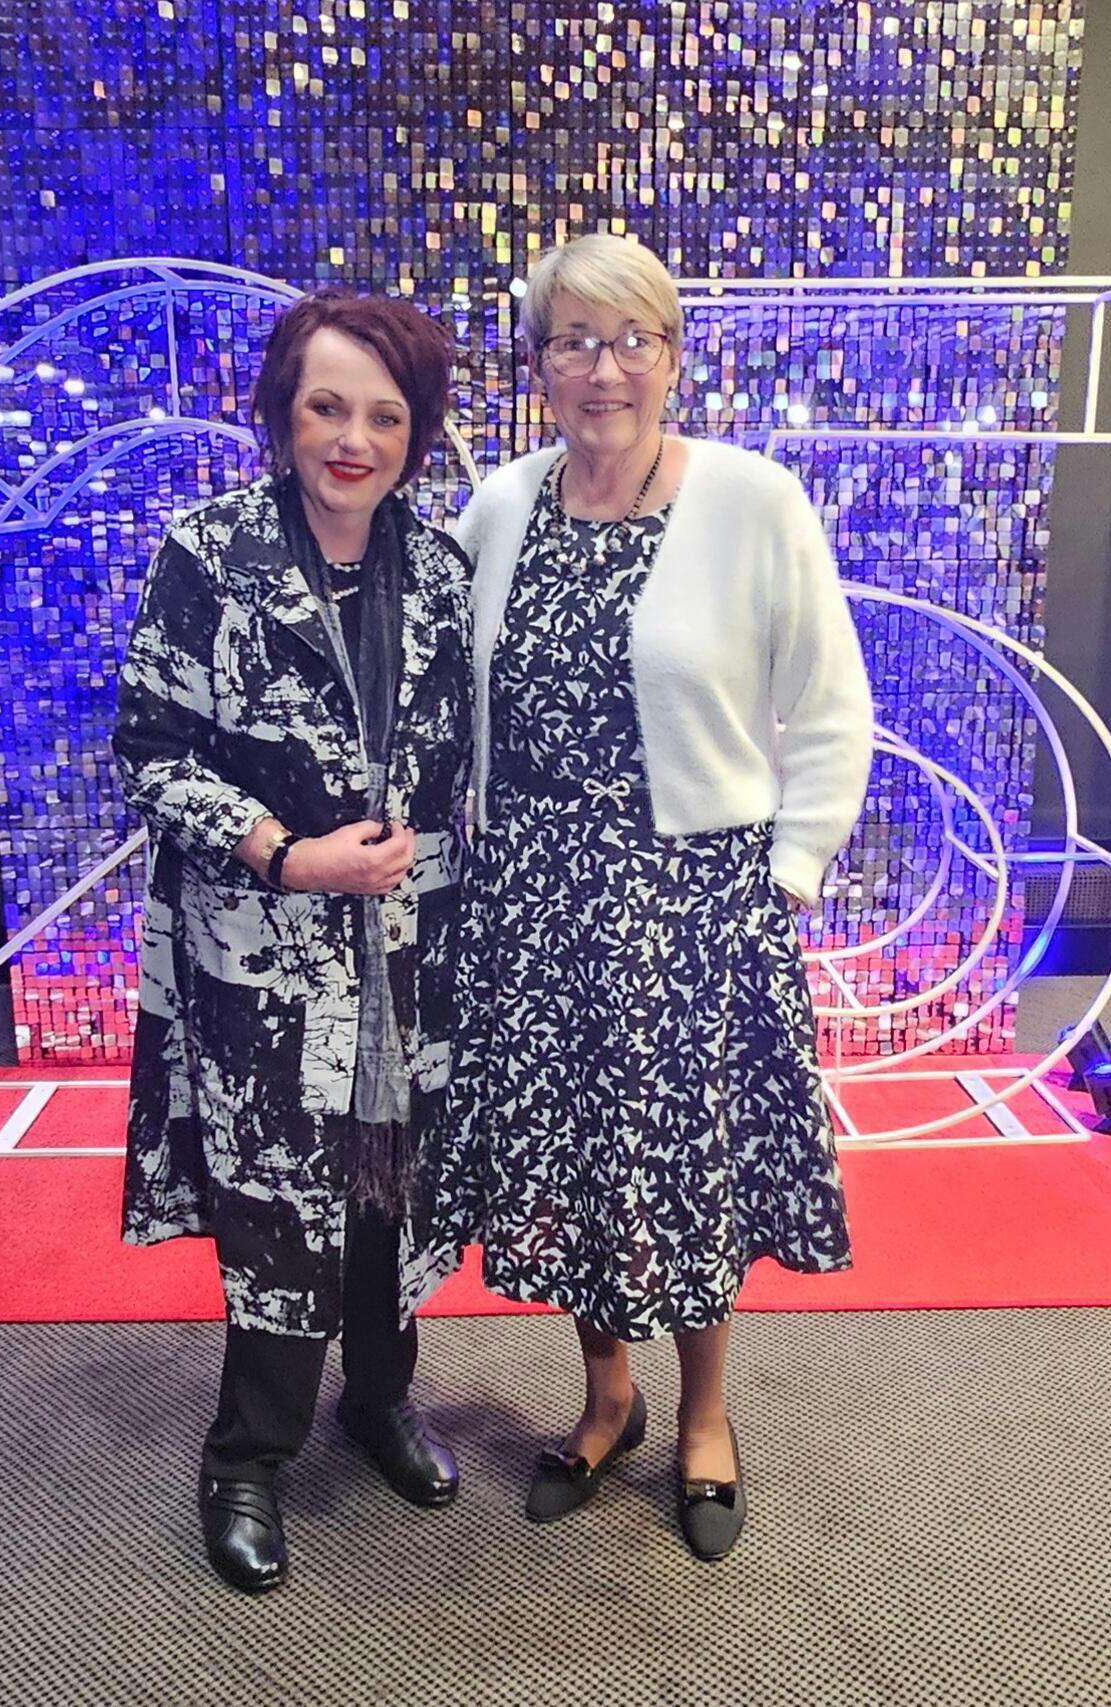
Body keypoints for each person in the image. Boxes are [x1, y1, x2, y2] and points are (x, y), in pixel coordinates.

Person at [402, 233, 874, 1562]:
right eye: (573, 343)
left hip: (688, 908)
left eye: (631, 341)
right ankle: (608, 1398)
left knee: (685, 1169)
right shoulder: (502, 505)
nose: (602, 370)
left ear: (672, 358)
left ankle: (706, 1416)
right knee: (569, 1161)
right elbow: (440, 684)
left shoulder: (752, 499)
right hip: (533, 900)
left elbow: (831, 704)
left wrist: (789, 874)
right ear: (539, 365)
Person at [114, 292, 473, 1592]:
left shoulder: (441, 570)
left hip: (406, 957)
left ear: (414, 434)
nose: (353, 440)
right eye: (327, 407)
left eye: (384, 416)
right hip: (263, 958)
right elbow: (149, 750)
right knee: (278, 1205)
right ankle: (248, 1458)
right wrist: (284, 850)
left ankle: (377, 1399)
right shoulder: (209, 555)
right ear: (283, 411)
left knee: (387, 1187)